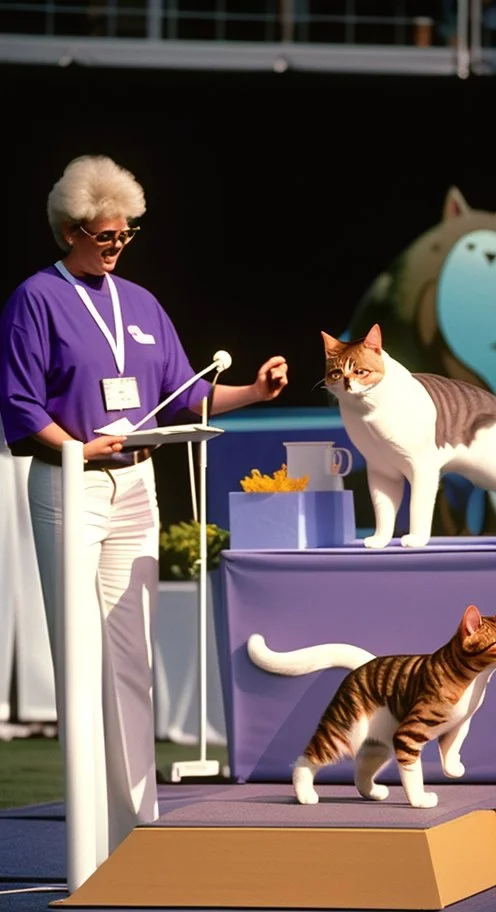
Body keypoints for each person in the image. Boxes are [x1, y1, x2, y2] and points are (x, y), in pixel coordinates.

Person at [0, 154, 288, 859]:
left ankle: (136, 831)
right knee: (82, 652)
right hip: (71, 482)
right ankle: (88, 836)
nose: (117, 246)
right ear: (70, 230)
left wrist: (252, 392)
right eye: (106, 236)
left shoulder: (142, 303)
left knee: (132, 656)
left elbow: (184, 394)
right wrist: (78, 449)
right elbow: (18, 401)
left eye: (126, 235)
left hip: (136, 486)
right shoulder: (36, 298)